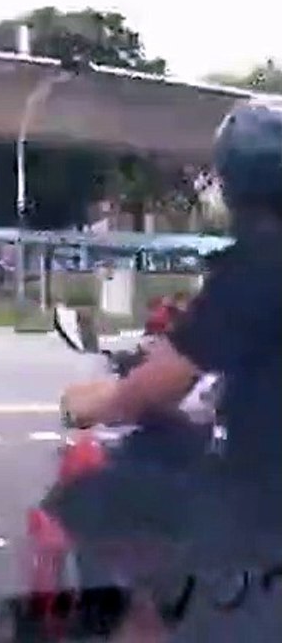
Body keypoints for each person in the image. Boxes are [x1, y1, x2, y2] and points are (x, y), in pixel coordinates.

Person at [60, 100, 282, 640]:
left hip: (264, 490)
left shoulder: (258, 263)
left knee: (96, 498)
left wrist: (98, 403)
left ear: (233, 184)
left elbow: (158, 386)